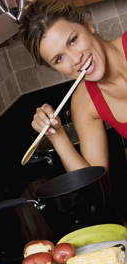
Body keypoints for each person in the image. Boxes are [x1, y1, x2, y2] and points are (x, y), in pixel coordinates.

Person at [19, 0, 127, 174]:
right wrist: (56, 135)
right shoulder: (84, 103)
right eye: (59, 59)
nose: (75, 59)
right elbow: (93, 179)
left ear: (87, 25)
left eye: (73, 40)